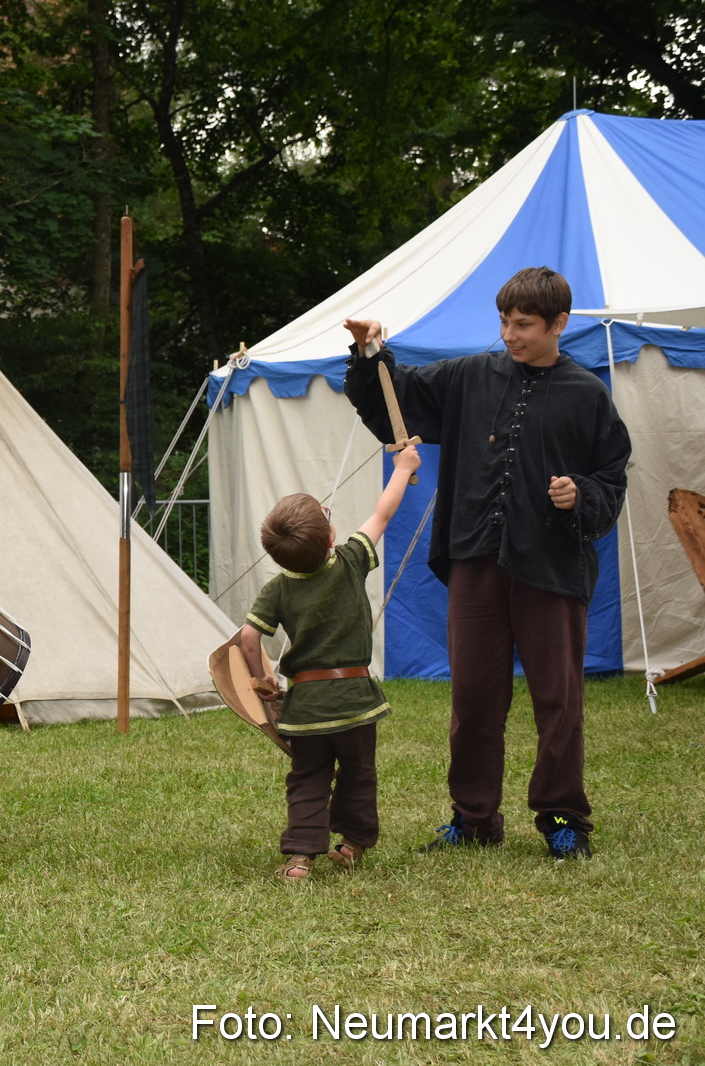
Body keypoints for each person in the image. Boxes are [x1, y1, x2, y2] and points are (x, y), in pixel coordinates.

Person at [343, 266, 631, 860]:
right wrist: (369, 352)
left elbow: (611, 477)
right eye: (504, 321)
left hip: (551, 567)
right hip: (475, 559)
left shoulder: (587, 395)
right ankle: (473, 817)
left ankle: (562, 816)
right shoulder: (471, 375)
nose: (509, 334)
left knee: (559, 702)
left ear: (559, 323)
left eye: (523, 324)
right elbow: (397, 400)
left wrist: (580, 493)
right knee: (473, 698)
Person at [240, 446, 422, 880]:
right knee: (358, 774)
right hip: (355, 700)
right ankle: (352, 844)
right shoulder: (350, 561)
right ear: (329, 539)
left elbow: (248, 637)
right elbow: (383, 513)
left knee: (308, 777)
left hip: (306, 707)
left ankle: (300, 859)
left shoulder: (278, 589)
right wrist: (403, 468)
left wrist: (263, 678)